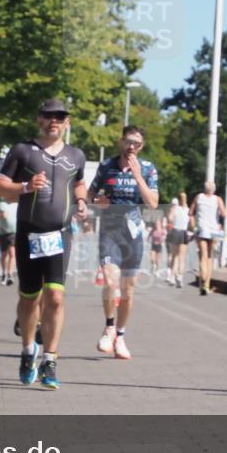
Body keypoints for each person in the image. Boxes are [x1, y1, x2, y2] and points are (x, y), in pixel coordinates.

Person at [0, 99, 88, 390]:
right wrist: (25, 186)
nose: (53, 121)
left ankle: (50, 359)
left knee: (56, 297)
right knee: (29, 298)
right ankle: (27, 352)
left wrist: (81, 201)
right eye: (48, 116)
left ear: (67, 122)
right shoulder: (22, 150)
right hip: (29, 234)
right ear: (39, 120)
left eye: (60, 117)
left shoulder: (76, 155)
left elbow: (79, 183)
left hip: (61, 234)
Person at [88, 125, 159, 360]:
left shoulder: (148, 169)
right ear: (121, 141)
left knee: (128, 290)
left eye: (136, 144)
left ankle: (120, 335)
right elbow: (89, 196)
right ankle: (109, 326)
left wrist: (137, 176)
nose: (131, 147)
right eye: (128, 141)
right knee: (110, 281)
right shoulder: (106, 166)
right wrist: (97, 201)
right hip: (110, 231)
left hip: (133, 235)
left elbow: (153, 203)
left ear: (141, 146)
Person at [189, 181, 227, 295]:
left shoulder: (198, 197)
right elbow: (224, 214)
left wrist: (193, 226)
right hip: (213, 230)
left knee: (203, 256)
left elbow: (190, 212)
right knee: (210, 257)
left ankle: (203, 277)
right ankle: (206, 285)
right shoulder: (218, 199)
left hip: (202, 229)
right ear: (214, 189)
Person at [165, 194, 190, 287]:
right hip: (184, 232)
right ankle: (180, 277)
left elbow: (170, 218)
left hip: (176, 231)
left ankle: (172, 277)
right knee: (182, 258)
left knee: (174, 256)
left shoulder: (175, 208)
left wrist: (171, 212)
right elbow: (190, 222)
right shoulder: (187, 210)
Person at [0, 200, 18, 286]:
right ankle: (4, 273)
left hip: (13, 232)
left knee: (12, 253)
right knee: (4, 254)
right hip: (3, 232)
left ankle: (10, 274)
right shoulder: (0, 204)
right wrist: (1, 214)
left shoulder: (16, 204)